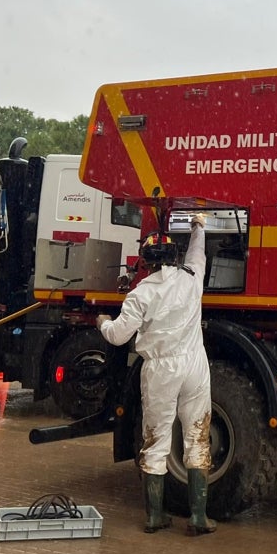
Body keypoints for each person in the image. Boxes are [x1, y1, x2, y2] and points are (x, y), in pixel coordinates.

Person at [97, 213, 216, 535]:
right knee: (197, 435)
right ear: (174, 257)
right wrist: (198, 227)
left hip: (160, 370)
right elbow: (198, 255)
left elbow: (118, 337)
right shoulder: (192, 279)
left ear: (145, 262)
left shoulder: (141, 294)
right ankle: (198, 517)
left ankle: (155, 516)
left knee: (157, 439)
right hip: (194, 363)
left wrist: (102, 323)